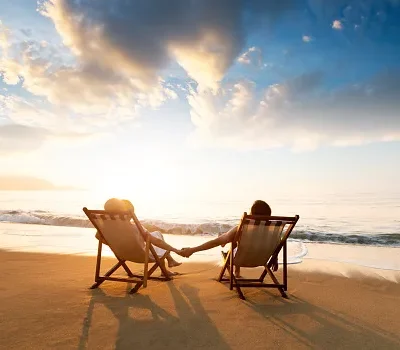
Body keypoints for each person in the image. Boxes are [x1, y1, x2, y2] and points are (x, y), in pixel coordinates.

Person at [179, 200, 272, 277]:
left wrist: (192, 250)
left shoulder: (243, 227)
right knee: (235, 239)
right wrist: (274, 260)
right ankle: (226, 240)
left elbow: (215, 242)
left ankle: (225, 240)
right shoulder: (272, 230)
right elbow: (274, 245)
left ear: (252, 213)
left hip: (239, 259)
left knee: (232, 239)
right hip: (262, 259)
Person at [98, 198, 181, 277]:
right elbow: (157, 242)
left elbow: (98, 236)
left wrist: (115, 245)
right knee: (157, 237)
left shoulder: (104, 228)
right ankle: (165, 270)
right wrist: (176, 250)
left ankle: (170, 261)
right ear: (129, 213)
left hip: (122, 254)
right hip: (141, 255)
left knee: (156, 234)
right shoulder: (135, 228)